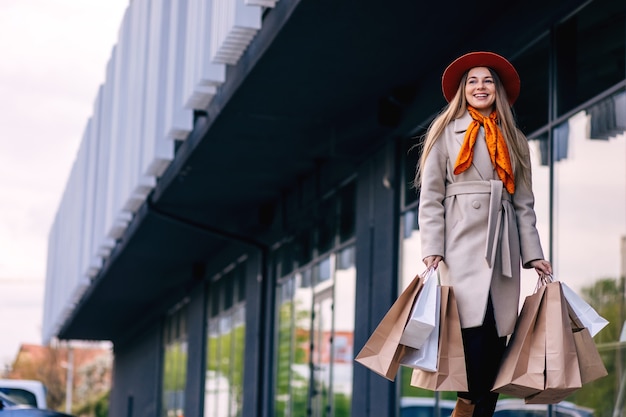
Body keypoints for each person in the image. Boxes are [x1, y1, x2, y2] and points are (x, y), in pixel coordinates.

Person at [414, 51, 552, 417]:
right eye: (472, 81)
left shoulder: (515, 140)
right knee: (471, 355)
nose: (480, 86)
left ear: (499, 90)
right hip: (460, 249)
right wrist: (432, 248)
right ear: (463, 90)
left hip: (503, 250)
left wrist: (533, 254)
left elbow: (524, 203)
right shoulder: (445, 133)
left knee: (494, 358)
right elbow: (431, 198)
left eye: (487, 80)